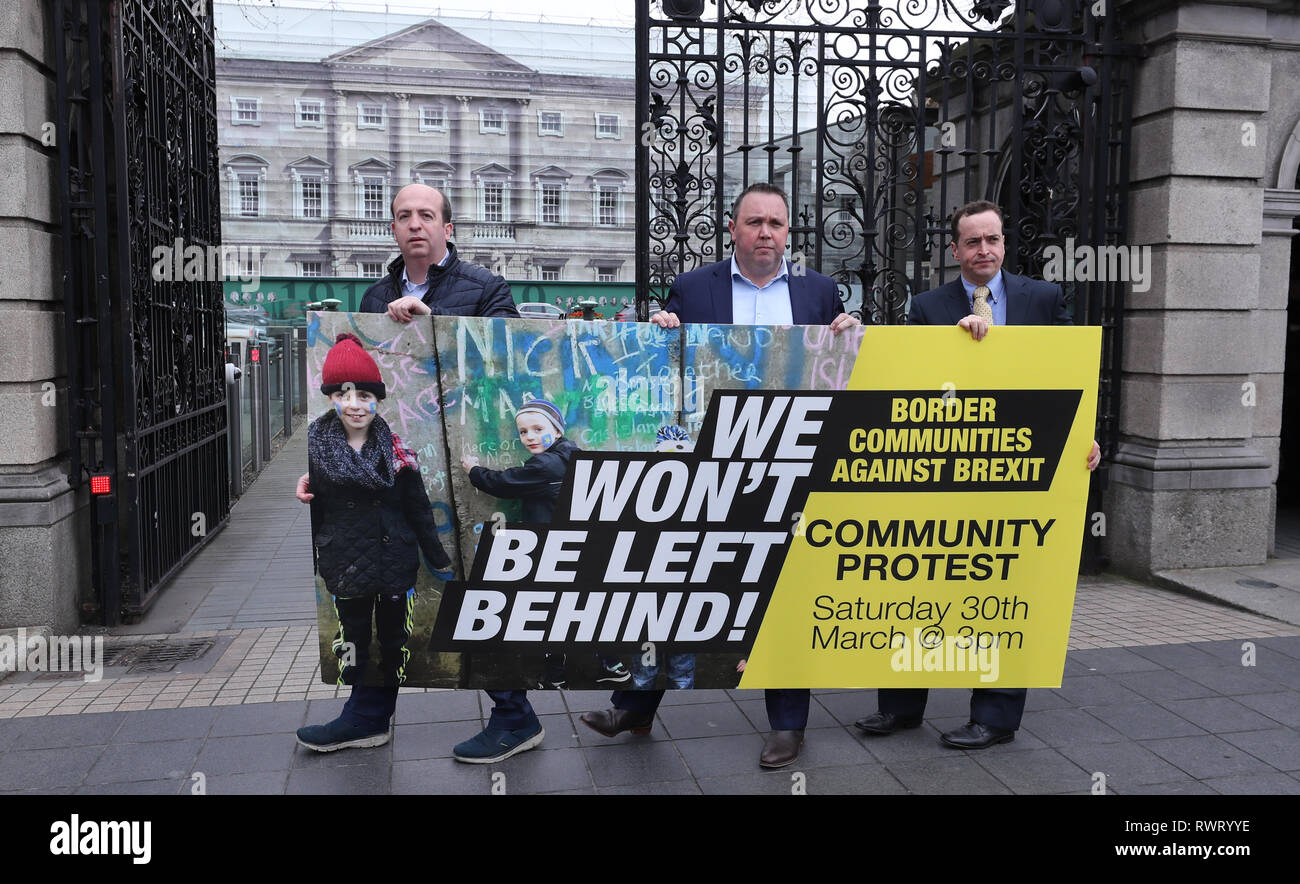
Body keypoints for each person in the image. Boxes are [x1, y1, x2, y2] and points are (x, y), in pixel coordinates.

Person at [581, 182, 860, 769]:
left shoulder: (818, 291)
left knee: (781, 589)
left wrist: (847, 333)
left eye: (776, 224)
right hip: (709, 458)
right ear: (731, 229)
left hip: (787, 459)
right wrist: (658, 327)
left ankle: (788, 725)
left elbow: (839, 371)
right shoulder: (694, 287)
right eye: (754, 222)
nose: (765, 233)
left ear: (789, 233)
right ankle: (634, 705)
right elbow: (664, 364)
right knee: (678, 578)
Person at [853, 199, 1102, 750]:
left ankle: (995, 717)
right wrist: (954, 349)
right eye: (972, 241)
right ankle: (899, 707)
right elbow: (910, 384)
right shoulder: (927, 306)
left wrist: (1086, 434)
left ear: (1004, 244)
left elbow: (1072, 373)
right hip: (942, 466)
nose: (984, 250)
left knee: (1007, 589)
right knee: (917, 586)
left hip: (1024, 464)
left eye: (992, 239)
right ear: (955, 249)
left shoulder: (1044, 298)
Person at [296, 183, 532, 758]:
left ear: (448, 228)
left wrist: (435, 324)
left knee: (476, 587)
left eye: (427, 215)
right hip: (396, 477)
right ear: (394, 229)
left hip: (470, 471)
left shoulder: (486, 288)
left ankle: (515, 714)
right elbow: (357, 396)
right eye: (404, 216)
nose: (415, 225)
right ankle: (367, 713)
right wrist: (324, 474)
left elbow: (507, 362)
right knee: (381, 589)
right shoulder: (375, 296)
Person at [295, 333, 455, 752]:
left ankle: (374, 714)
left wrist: (437, 558)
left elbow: (419, 508)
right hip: (345, 563)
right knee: (351, 638)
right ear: (331, 397)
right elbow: (317, 507)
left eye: (364, 393)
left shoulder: (396, 450)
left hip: (393, 561)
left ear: (377, 400)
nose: (354, 403)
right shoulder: (316, 447)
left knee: (392, 639)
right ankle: (358, 710)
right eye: (343, 393)